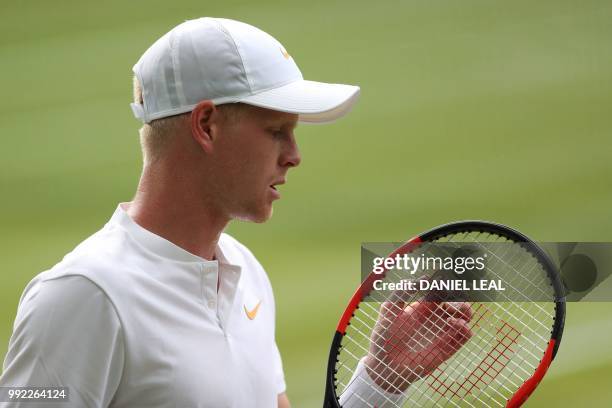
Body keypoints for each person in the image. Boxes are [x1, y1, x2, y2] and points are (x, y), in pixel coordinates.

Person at [0, 17, 470, 408]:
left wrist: (381, 382)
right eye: (276, 131)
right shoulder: (84, 296)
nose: (294, 155)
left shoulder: (246, 273)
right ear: (206, 125)